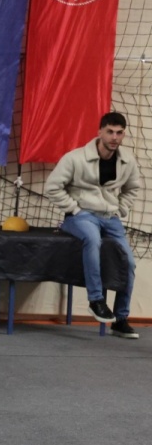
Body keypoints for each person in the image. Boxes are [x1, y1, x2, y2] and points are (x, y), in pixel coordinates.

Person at [45, 112, 141, 339]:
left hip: (110, 217)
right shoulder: (75, 158)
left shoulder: (127, 161)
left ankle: (120, 319)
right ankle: (96, 300)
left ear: (123, 134)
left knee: (128, 261)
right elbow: (52, 187)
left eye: (119, 133)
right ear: (100, 132)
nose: (114, 137)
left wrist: (120, 209)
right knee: (92, 239)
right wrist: (74, 208)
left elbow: (132, 188)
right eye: (110, 132)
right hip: (81, 216)